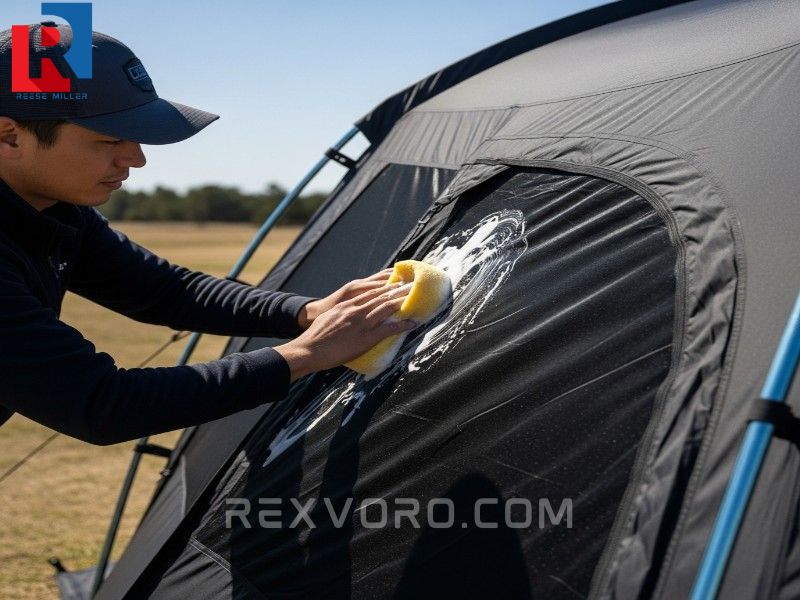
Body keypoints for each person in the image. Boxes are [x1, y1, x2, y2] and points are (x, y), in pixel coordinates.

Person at [0, 24, 417, 445]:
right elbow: (102, 403)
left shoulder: (58, 212)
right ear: (10, 137)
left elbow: (166, 291)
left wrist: (306, 311)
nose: (137, 159)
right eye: (111, 139)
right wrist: (307, 353)